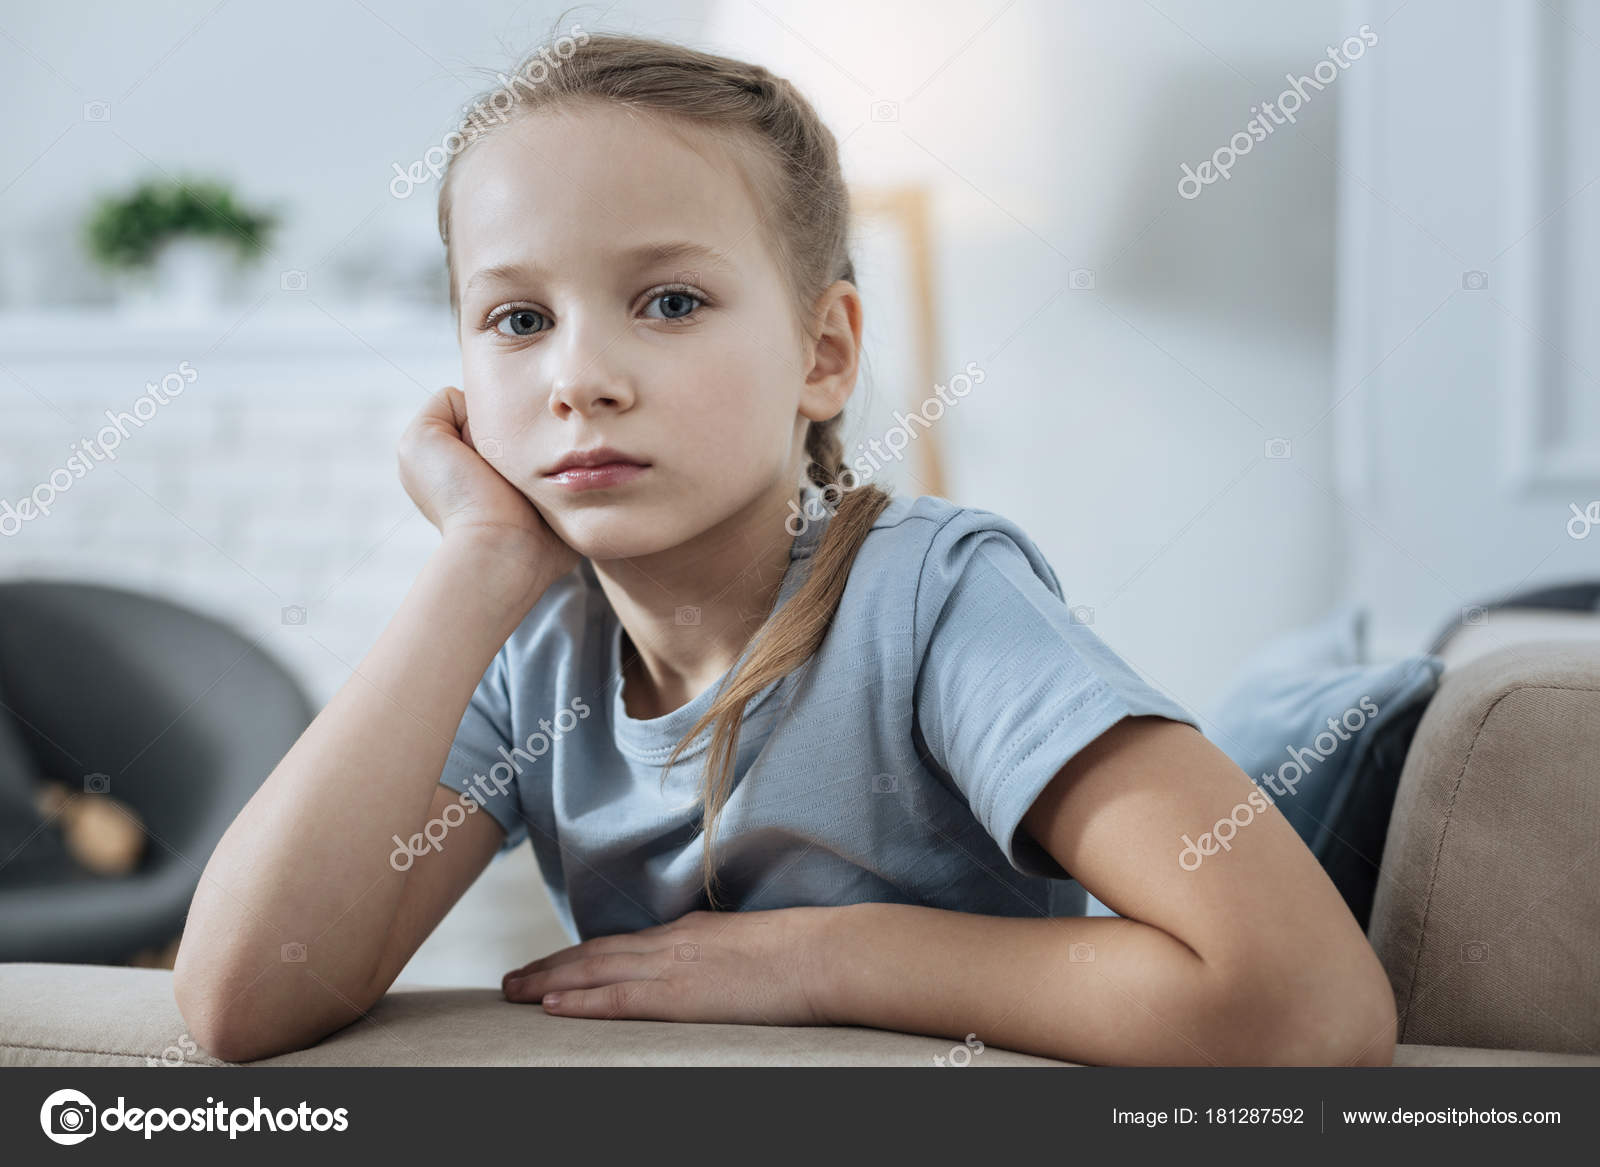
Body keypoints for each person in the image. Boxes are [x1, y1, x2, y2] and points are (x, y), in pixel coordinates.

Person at [174, 29, 1396, 1068]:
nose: (579, 379)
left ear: (824, 353)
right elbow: (243, 998)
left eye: (669, 302)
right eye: (519, 317)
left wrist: (818, 959)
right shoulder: (528, 649)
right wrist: (477, 562)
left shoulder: (932, 599)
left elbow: (1307, 1003)